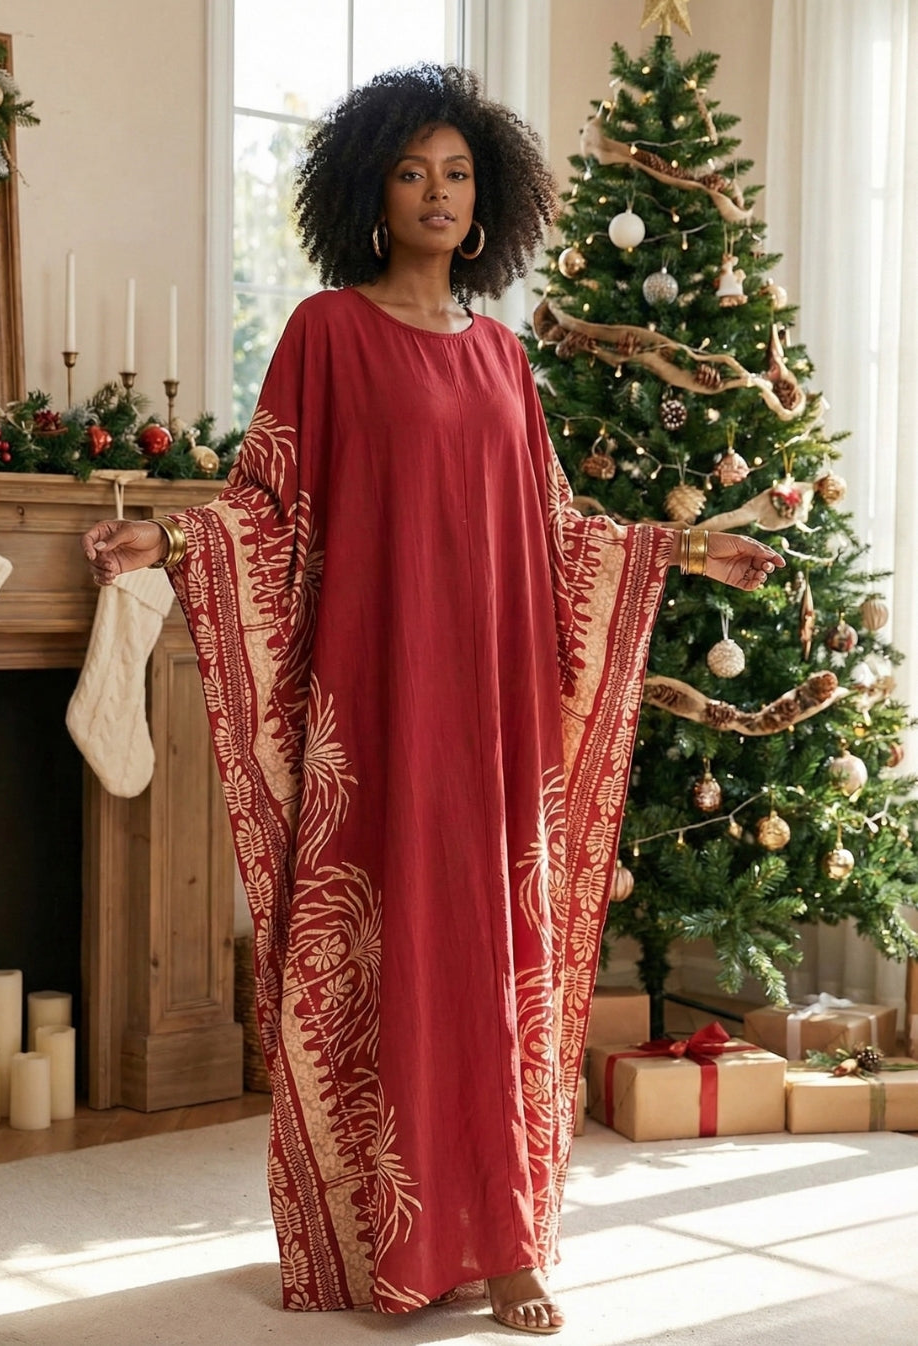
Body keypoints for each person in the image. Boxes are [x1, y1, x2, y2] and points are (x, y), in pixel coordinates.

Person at [81, 65, 783, 1336]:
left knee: (493, 961)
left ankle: (508, 1243)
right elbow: (270, 507)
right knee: (391, 956)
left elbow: (558, 532)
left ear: (490, 195)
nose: (437, 193)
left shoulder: (505, 360)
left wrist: (680, 550)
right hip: (377, 709)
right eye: (412, 172)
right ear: (369, 189)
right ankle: (387, 1236)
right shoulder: (326, 335)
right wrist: (172, 545)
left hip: (495, 712)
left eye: (458, 173)